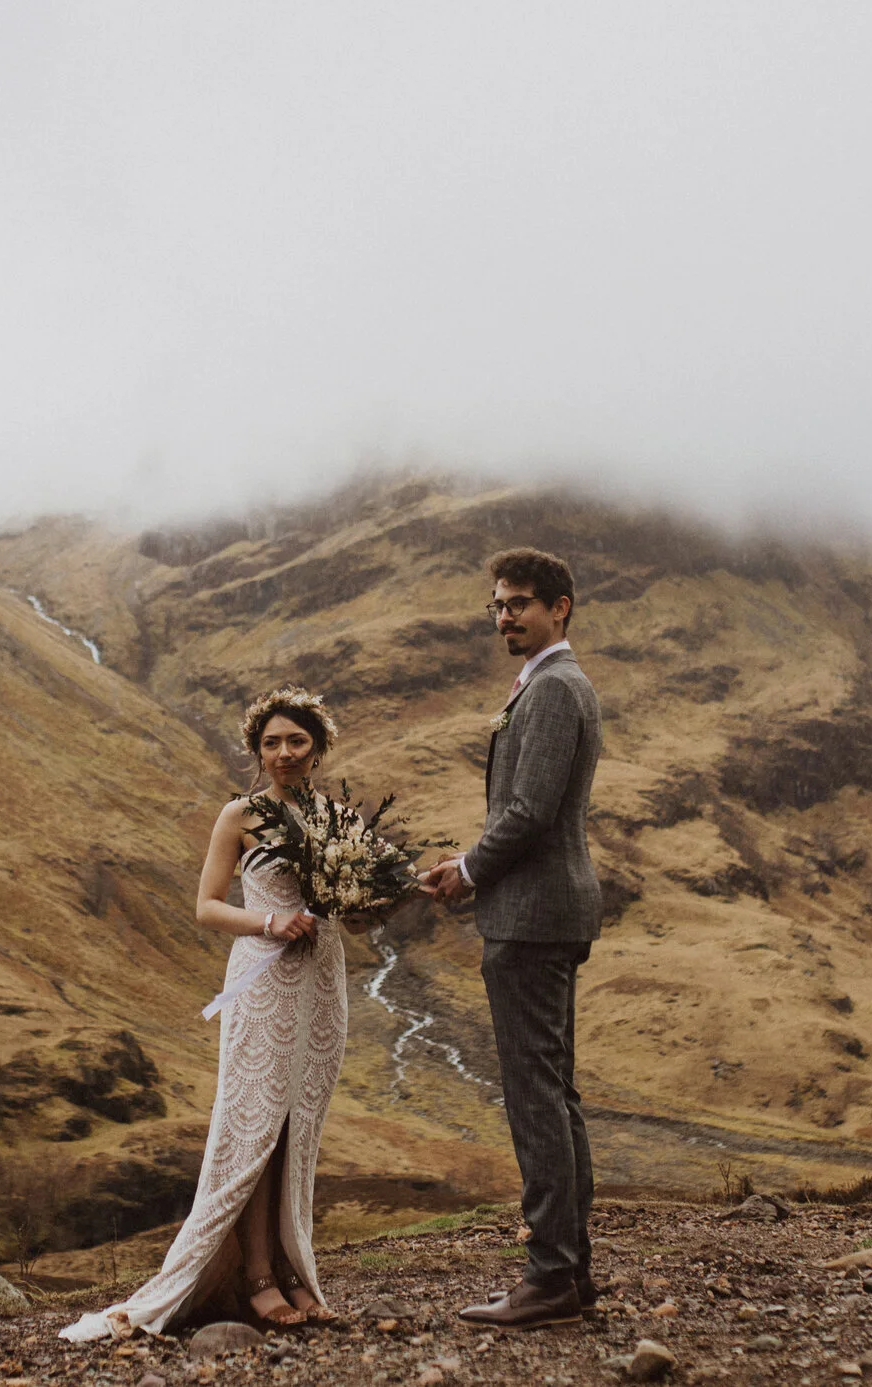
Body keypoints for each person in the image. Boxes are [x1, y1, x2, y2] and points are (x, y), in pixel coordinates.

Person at [60, 687, 351, 1341]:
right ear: (257, 749)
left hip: (321, 982)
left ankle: (294, 1266)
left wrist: (370, 900)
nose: (283, 752)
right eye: (271, 741)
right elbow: (207, 905)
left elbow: (348, 909)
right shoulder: (239, 815)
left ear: (317, 747)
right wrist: (270, 918)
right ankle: (256, 1277)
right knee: (255, 1129)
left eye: (296, 741)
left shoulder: (336, 818)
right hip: (263, 978)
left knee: (297, 1127)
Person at [419, 546, 604, 1330]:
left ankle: (551, 1277)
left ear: (560, 607)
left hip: (531, 918)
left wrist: (467, 868)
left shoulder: (557, 688)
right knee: (555, 1096)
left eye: (520, 602)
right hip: (538, 913)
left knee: (537, 1099)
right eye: (497, 603)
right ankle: (569, 1272)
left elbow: (527, 814)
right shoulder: (544, 684)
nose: (505, 616)